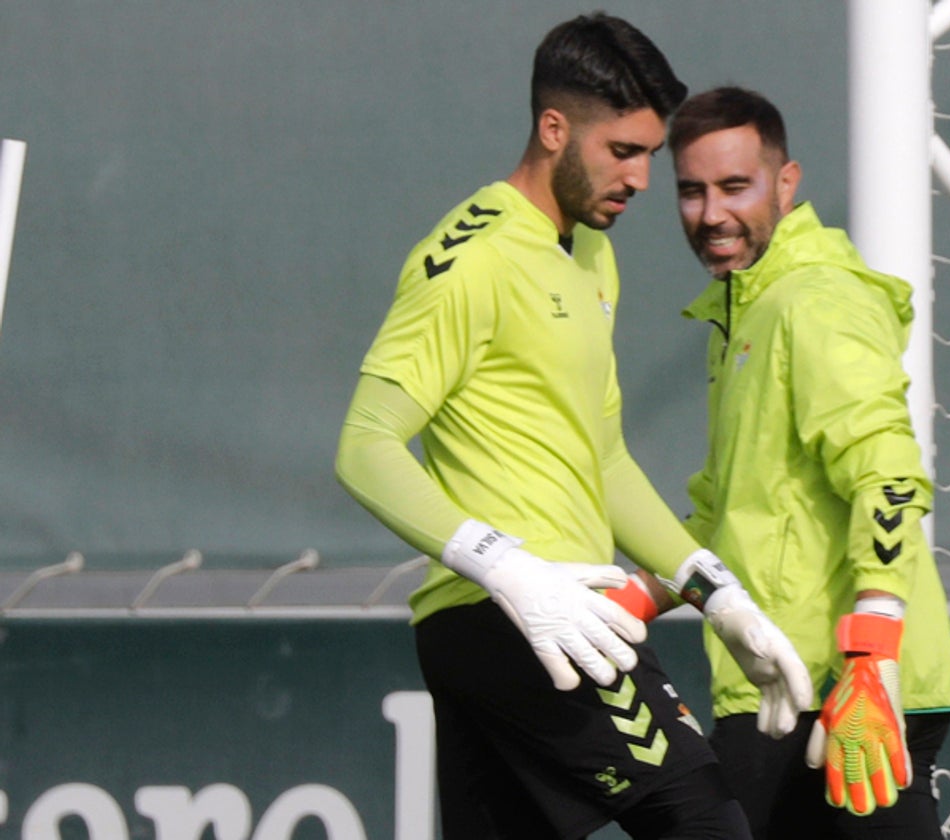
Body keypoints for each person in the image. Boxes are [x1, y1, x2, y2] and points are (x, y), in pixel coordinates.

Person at [335, 21, 812, 840]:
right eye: (621, 150)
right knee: (707, 823)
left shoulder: (591, 252)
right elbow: (365, 446)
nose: (638, 179)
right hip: (523, 619)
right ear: (554, 129)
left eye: (650, 157)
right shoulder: (472, 258)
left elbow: (606, 459)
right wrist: (515, 574)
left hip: (523, 624)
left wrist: (714, 590)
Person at [609, 86, 950, 839]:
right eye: (693, 191)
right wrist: (635, 599)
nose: (712, 214)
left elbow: (889, 472)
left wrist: (873, 655)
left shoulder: (813, 300)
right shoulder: (744, 311)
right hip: (785, 677)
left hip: (841, 680)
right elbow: (724, 511)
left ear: (787, 183)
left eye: (735, 187)